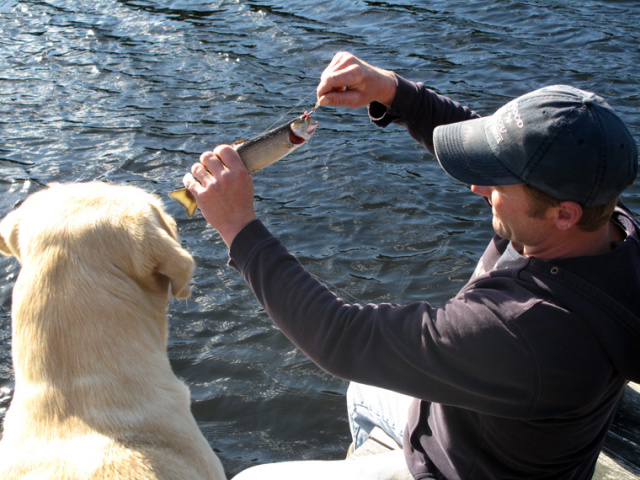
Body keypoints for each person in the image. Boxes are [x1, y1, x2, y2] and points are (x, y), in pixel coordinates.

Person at [183, 52, 640, 479]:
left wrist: (239, 228)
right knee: (363, 392)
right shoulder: (609, 226)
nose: (478, 186)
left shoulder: (525, 331)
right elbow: (498, 146)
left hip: (457, 467)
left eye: (499, 181)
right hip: (483, 425)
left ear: (564, 214)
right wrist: (392, 90)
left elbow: (340, 336)